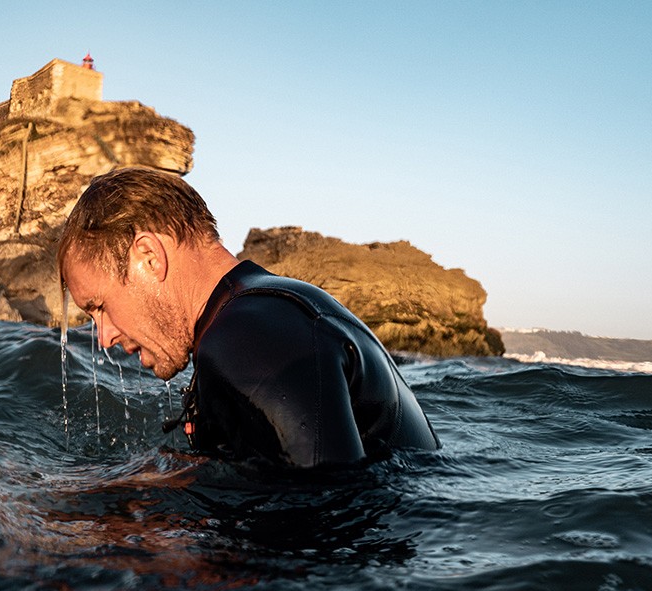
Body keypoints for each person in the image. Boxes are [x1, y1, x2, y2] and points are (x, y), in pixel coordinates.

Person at [57, 166, 440, 468]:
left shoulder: (247, 336)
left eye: (99, 306)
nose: (103, 336)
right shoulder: (267, 310)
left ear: (149, 256)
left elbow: (325, 528)